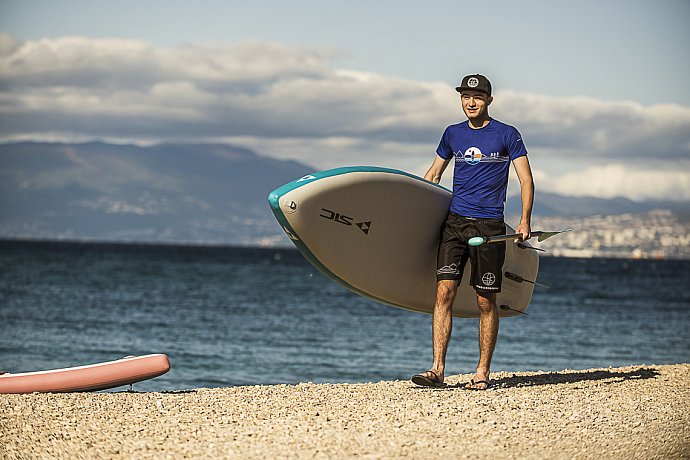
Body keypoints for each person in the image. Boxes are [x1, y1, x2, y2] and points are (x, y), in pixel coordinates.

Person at [411, 74, 534, 390]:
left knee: (485, 300)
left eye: (477, 96)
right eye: (465, 96)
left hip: (489, 226)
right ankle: (437, 369)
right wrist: (411, 211)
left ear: (489, 100)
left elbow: (525, 180)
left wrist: (524, 221)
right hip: (454, 223)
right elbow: (434, 174)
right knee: (444, 292)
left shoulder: (507, 134)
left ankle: (482, 372)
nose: (470, 102)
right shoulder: (452, 134)